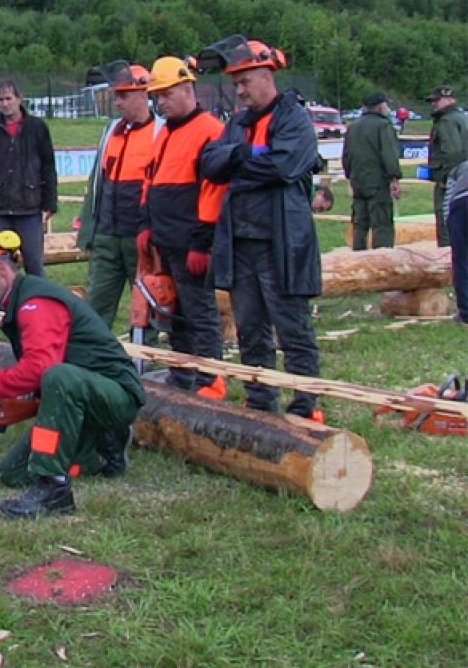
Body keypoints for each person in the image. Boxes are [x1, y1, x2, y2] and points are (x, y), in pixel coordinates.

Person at [0, 229, 144, 518]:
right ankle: (99, 451)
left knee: (56, 377)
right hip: (81, 394)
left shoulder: (36, 303)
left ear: (1, 269)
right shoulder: (21, 301)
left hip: (116, 393)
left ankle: (53, 487)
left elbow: (40, 368)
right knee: (13, 473)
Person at [198, 36, 323, 421]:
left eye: (244, 81)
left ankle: (305, 404)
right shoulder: (238, 124)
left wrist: (239, 166)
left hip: (283, 240)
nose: (239, 91)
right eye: (235, 83)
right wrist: (245, 154)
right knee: (250, 328)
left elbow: (284, 167)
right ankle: (260, 399)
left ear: (266, 75)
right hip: (242, 241)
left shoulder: (294, 119)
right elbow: (209, 164)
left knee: (293, 328)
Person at [139, 56, 228, 398]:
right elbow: (151, 180)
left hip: (191, 238)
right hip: (165, 238)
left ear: (187, 88)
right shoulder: (165, 134)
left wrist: (202, 243)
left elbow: (214, 191)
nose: (160, 102)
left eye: (166, 94)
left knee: (200, 311)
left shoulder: (210, 131)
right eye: (156, 96)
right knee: (174, 313)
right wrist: (146, 223)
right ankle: (182, 375)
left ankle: (211, 379)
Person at [76, 62, 159, 329]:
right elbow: (97, 181)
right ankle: (93, 359)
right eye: (116, 96)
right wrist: (89, 230)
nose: (118, 102)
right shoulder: (111, 131)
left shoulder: (161, 132)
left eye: (123, 96)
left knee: (146, 307)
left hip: (142, 237)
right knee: (96, 307)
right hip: (107, 235)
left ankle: (145, 364)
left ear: (143, 94)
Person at [0, 78, 58, 276]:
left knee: (34, 265)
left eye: (9, 98)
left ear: (20, 99)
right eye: (0, 100)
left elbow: (48, 167)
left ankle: (38, 302)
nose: (5, 103)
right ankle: (0, 306)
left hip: (29, 209)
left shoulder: (37, 128)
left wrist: (50, 203)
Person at [341, 91, 402, 250]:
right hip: (378, 184)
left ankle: (359, 260)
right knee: (382, 225)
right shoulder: (383, 126)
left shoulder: (352, 127)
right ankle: (383, 263)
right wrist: (394, 178)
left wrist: (350, 176)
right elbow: (389, 154)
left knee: (360, 226)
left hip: (358, 183)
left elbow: (346, 156)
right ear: (381, 106)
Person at [425, 85, 468, 247]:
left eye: (437, 100)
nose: (433, 104)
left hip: (452, 180)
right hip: (465, 177)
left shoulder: (446, 121)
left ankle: (446, 263)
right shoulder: (462, 118)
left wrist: (445, 177)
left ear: (450, 99)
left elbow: (452, 151)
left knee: (446, 221)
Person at [444, 158, 468, 324]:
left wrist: (450, 230)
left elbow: (448, 202)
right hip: (460, 204)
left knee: (462, 262)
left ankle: (466, 313)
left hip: (460, 206)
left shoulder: (458, 168)